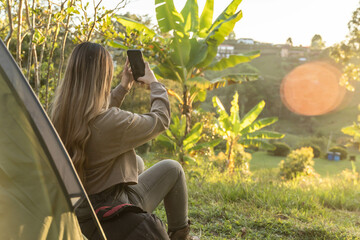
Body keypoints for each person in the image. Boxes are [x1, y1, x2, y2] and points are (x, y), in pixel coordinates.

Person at [50, 42, 192, 239]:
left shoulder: (58, 115)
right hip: (110, 212)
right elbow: (160, 120)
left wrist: (124, 87)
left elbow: (97, 113)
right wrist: (155, 84)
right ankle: (180, 235)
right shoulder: (112, 122)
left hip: (79, 210)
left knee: (137, 163)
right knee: (173, 168)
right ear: (103, 78)